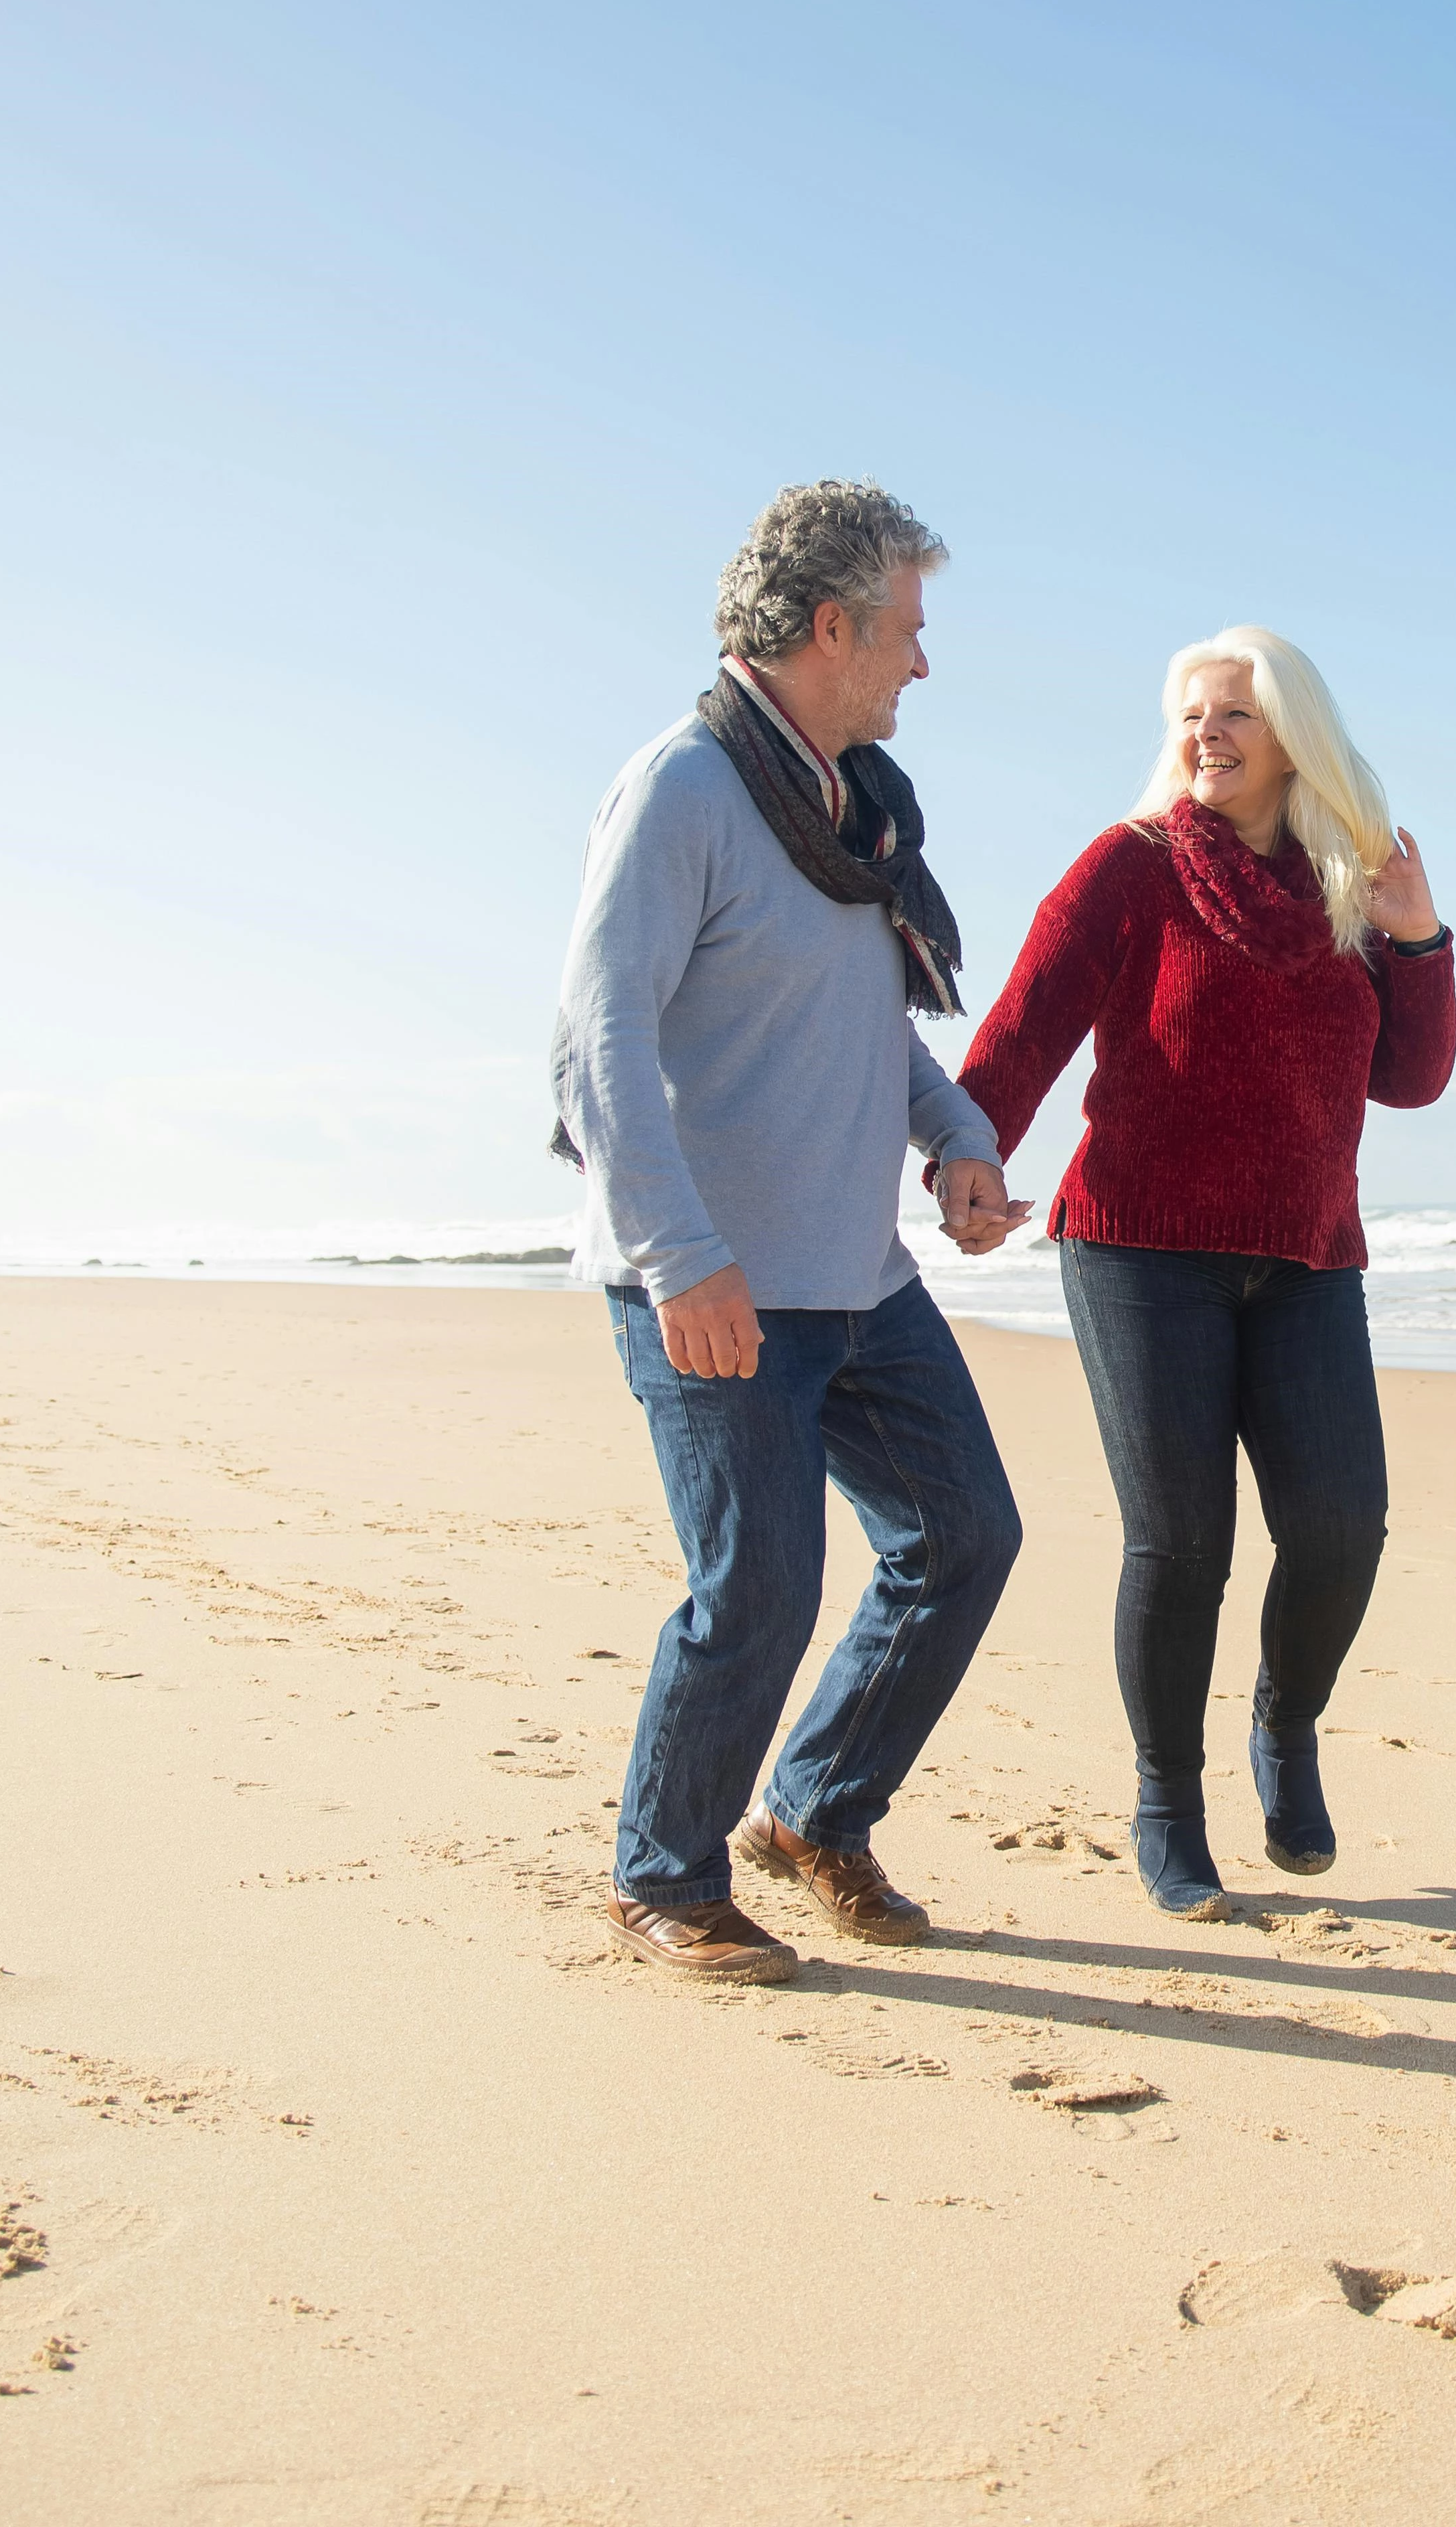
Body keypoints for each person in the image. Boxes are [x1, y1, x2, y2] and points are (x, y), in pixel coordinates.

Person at [552, 480, 1032, 1987]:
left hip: (856, 1276)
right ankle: (662, 1876)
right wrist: (679, 1255)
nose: (921, 663)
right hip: (714, 1279)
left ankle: (815, 1810)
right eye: (906, 630)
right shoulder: (686, 786)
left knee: (962, 1537)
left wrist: (954, 1138)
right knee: (755, 1582)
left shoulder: (856, 816)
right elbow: (598, 1038)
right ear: (831, 626)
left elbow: (866, 1033)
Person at [954, 625, 1456, 1919]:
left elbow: (1408, 1080)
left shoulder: (1350, 883)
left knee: (1343, 1528)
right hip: (1138, 1247)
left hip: (1304, 1256)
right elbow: (1025, 1024)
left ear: (1295, 734)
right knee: (1182, 1546)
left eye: (1231, 713)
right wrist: (967, 1157)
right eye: (1188, 715)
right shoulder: (1130, 871)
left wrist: (1418, 941)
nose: (1205, 736)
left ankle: (1283, 1730)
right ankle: (1167, 1802)